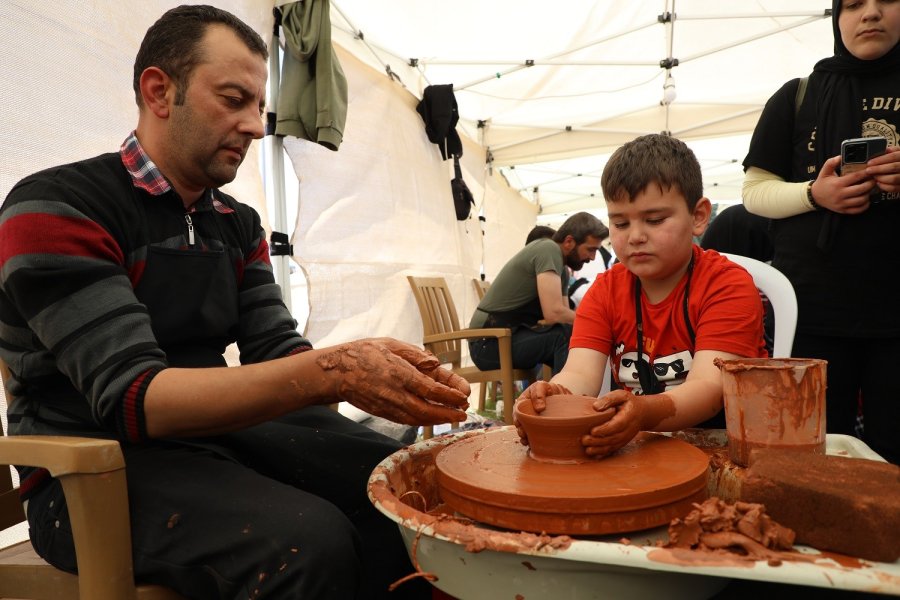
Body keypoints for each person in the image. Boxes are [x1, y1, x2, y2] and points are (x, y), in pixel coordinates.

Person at [0, 6, 469, 599]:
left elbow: (274, 347)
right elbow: (133, 398)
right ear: (159, 91)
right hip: (89, 470)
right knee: (308, 543)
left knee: (406, 484)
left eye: (258, 104)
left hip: (216, 436)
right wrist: (337, 371)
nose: (255, 124)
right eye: (233, 99)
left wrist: (382, 375)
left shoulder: (235, 222)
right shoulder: (56, 207)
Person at [517, 134, 767, 457]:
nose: (635, 236)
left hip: (726, 447)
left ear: (699, 216)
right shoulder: (605, 291)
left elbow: (709, 388)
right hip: (640, 448)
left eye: (654, 220)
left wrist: (643, 412)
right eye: (620, 223)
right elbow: (580, 374)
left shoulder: (727, 285)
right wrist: (555, 395)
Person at [742, 0, 900, 464]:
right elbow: (755, 190)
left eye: (886, 0)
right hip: (814, 311)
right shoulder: (797, 95)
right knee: (814, 453)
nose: (869, 14)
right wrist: (816, 194)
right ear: (836, 17)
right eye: (852, 4)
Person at [468, 212, 608, 377]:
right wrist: (599, 324)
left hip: (506, 338)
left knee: (568, 334)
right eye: (590, 250)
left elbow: (563, 316)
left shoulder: (562, 269)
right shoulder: (548, 249)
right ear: (569, 241)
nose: (592, 257)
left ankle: (562, 395)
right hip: (487, 344)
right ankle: (565, 400)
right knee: (562, 338)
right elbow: (554, 313)